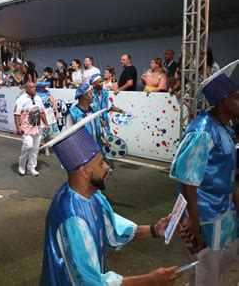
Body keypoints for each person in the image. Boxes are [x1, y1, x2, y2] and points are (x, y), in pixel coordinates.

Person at [40, 112, 181, 285]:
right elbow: (90, 282)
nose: (108, 167)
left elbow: (113, 230)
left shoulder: (92, 196)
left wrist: (155, 230)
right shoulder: (72, 218)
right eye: (101, 163)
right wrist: (149, 281)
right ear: (84, 171)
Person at [170, 60, 239, 286]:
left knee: (229, 252)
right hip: (204, 211)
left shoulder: (224, 127)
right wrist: (193, 218)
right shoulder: (203, 131)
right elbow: (187, 177)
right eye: (236, 97)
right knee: (208, 268)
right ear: (221, 102)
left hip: (222, 207)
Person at [14, 82, 50, 176]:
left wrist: (46, 124)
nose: (34, 88)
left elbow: (42, 112)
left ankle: (31, 168)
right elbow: (16, 114)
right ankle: (21, 166)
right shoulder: (21, 99)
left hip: (37, 128)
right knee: (28, 145)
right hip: (25, 128)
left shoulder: (38, 98)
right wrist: (18, 127)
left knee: (35, 149)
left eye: (34, 87)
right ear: (26, 89)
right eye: (32, 87)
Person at [66, 83, 106, 152]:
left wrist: (102, 138)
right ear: (84, 95)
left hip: (98, 150)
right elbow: (70, 136)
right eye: (91, 94)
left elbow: (96, 128)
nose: (93, 96)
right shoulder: (72, 113)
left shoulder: (94, 109)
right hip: (84, 153)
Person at [36, 82, 60, 156]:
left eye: (45, 86)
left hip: (48, 112)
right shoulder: (35, 94)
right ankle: (38, 147)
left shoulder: (48, 93)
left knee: (48, 131)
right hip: (39, 112)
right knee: (39, 131)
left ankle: (46, 148)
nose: (44, 88)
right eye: (42, 86)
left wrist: (57, 112)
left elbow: (53, 103)